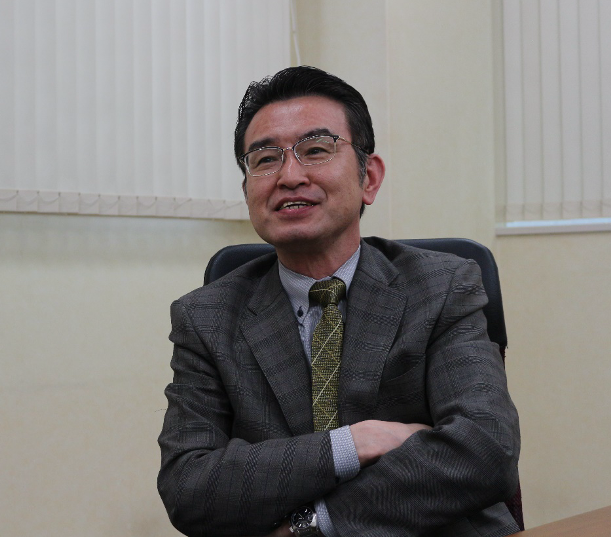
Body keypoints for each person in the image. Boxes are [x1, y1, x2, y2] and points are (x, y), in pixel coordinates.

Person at [157, 66, 520, 537]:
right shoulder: (205, 317)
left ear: (369, 177)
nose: (289, 176)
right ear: (247, 190)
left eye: (315, 150)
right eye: (265, 159)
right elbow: (188, 488)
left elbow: (485, 449)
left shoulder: (442, 285)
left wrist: (314, 526)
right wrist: (353, 443)